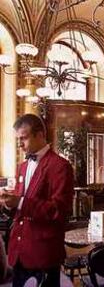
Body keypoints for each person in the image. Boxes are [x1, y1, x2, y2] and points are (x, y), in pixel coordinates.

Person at [0, 114, 74, 287]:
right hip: (19, 252)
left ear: (40, 135)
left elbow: (58, 210)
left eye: (24, 138)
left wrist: (19, 202)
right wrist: (7, 203)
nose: (20, 144)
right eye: (18, 139)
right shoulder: (22, 167)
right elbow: (20, 207)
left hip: (43, 252)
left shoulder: (60, 166)